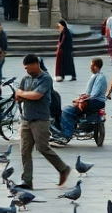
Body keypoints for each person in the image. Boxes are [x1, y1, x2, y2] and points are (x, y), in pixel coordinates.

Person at [15, 54, 71, 189]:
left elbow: (36, 95)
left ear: (35, 64)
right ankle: (27, 181)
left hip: (41, 119)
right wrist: (24, 95)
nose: (26, 71)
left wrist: (23, 94)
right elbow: (17, 97)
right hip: (26, 119)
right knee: (25, 150)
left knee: (42, 147)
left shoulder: (45, 78)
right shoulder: (26, 79)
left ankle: (63, 168)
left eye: (28, 68)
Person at [55, 58, 108, 143]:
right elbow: (88, 92)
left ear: (96, 67)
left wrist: (82, 99)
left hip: (95, 101)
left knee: (66, 111)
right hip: (92, 100)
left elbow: (94, 94)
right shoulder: (95, 76)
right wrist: (81, 96)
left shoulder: (100, 78)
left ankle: (66, 134)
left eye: (92, 66)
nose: (90, 68)